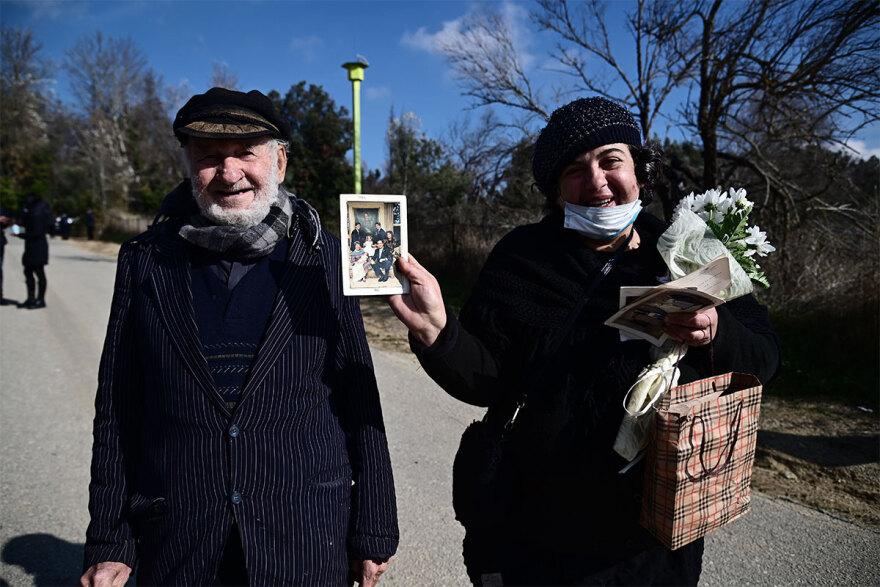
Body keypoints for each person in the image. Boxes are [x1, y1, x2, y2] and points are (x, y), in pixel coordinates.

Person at [388, 97, 780, 586]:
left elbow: (765, 358)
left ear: (639, 169)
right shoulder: (521, 258)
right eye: (575, 170)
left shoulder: (693, 253)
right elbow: (486, 381)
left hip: (648, 546)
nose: (596, 181)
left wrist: (716, 331)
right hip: (535, 542)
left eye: (611, 160)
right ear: (556, 190)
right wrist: (436, 331)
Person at [81, 88, 399, 586]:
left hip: (305, 535)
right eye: (208, 156)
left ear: (280, 162)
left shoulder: (330, 259)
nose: (229, 173)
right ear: (189, 164)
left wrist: (375, 527)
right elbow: (119, 406)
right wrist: (109, 539)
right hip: (181, 538)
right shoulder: (144, 260)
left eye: (246, 153)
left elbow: (359, 396)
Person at [17, 193, 51, 309]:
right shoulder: (34, 212)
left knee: (39, 273)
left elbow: (36, 233)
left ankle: (40, 300)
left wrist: (21, 235)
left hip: (37, 248)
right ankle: (31, 298)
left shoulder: (38, 213)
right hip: (32, 247)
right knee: (28, 272)